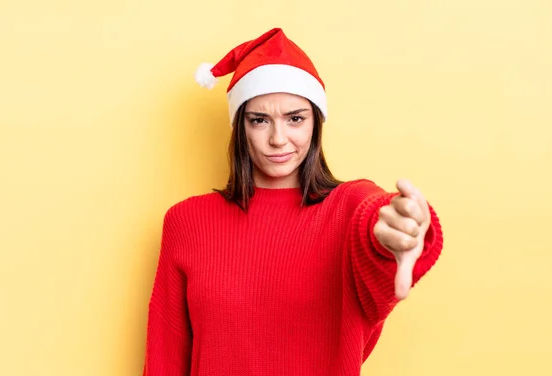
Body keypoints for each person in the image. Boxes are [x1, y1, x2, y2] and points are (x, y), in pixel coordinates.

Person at [142, 27, 444, 376]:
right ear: (240, 126)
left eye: (295, 118)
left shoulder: (348, 208)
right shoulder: (187, 221)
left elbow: (374, 218)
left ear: (316, 123)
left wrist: (402, 231)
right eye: (259, 120)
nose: (278, 139)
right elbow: (165, 358)